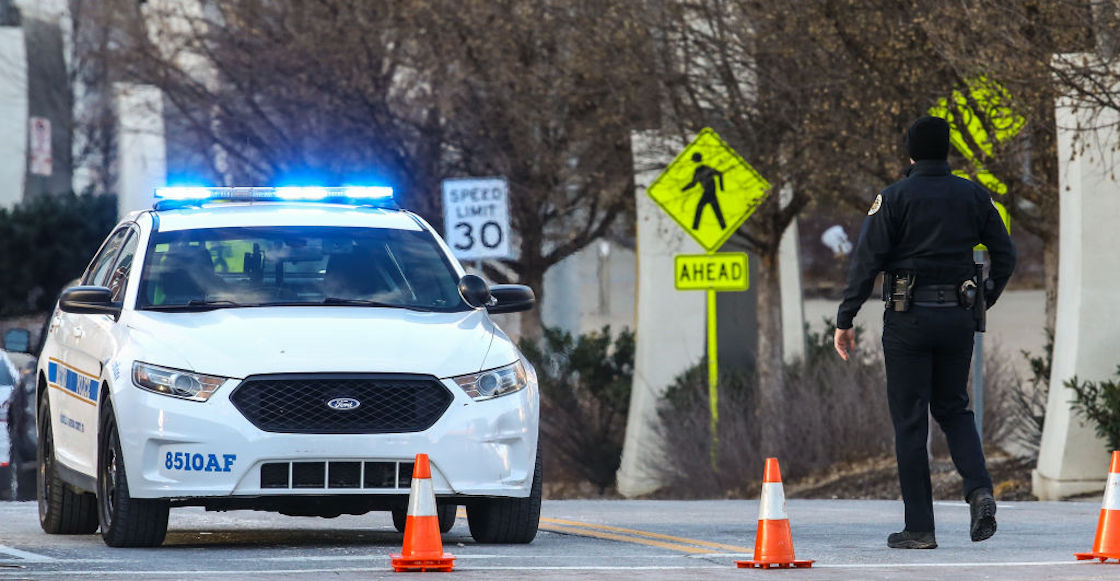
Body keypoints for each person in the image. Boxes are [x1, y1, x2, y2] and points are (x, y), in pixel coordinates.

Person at [833, 116, 1017, 549]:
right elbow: (1005, 254)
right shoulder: (974, 194)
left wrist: (845, 318)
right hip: (957, 318)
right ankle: (979, 490)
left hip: (907, 319)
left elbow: (866, 263)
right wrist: (982, 298)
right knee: (954, 409)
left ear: (911, 153)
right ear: (948, 151)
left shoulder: (893, 198)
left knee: (911, 422)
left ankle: (920, 528)